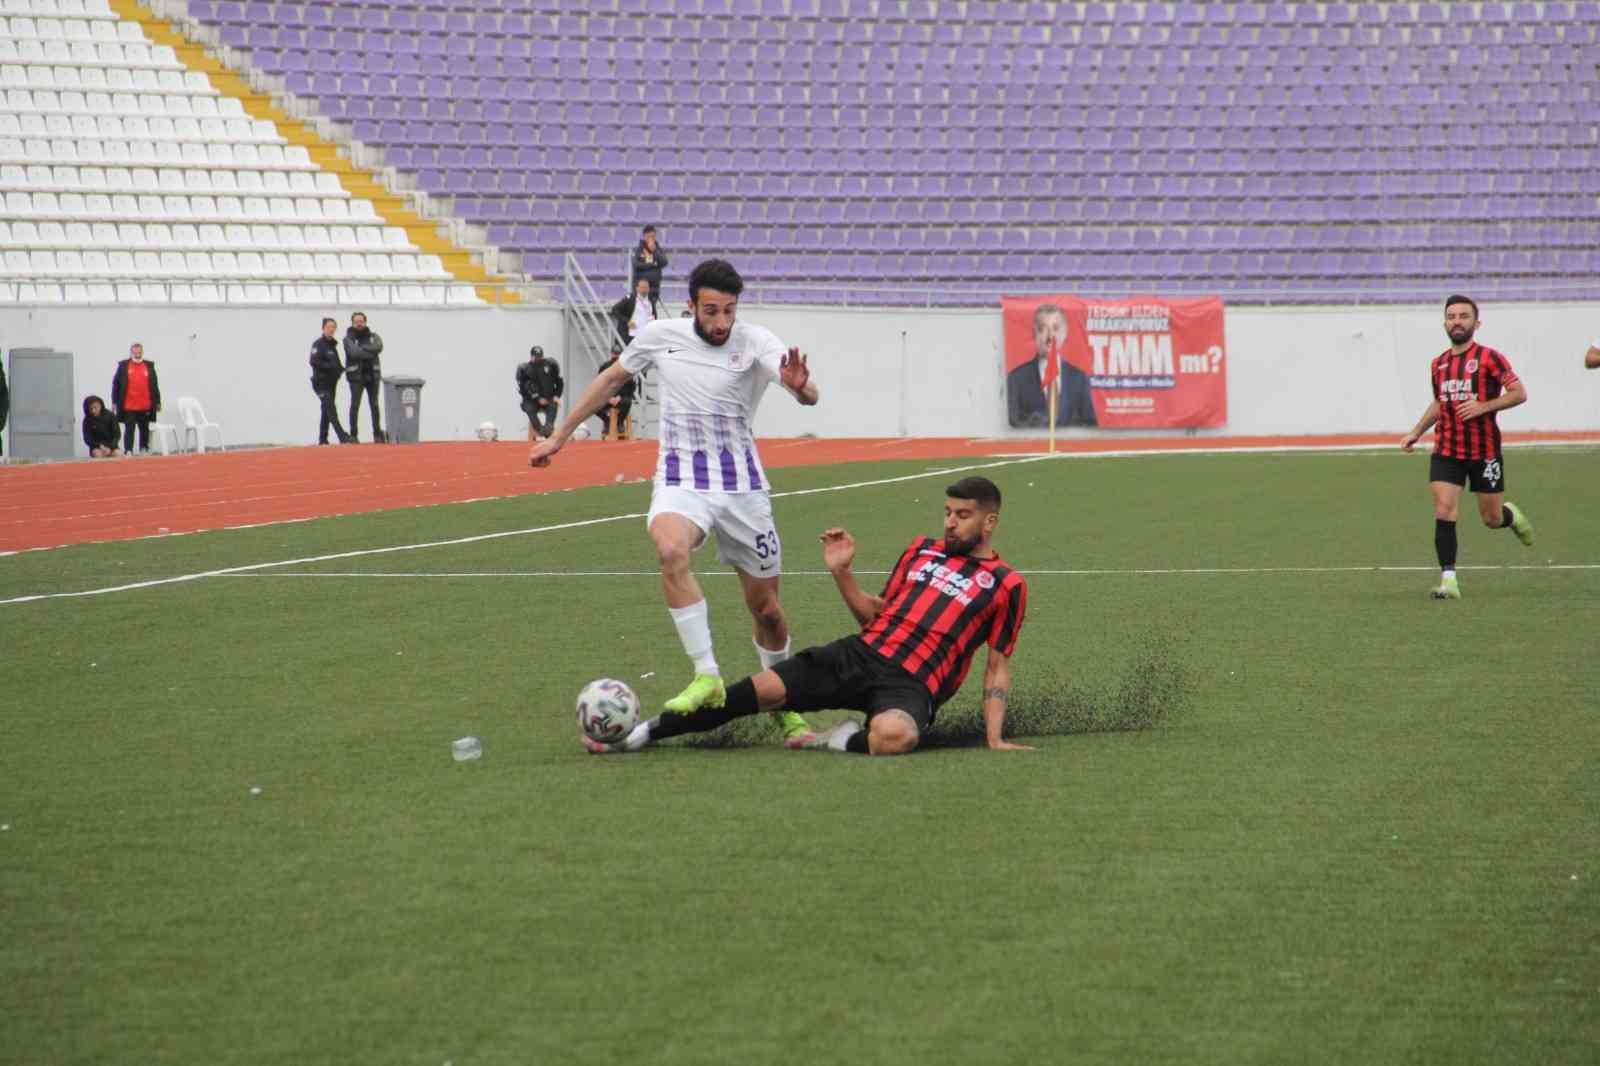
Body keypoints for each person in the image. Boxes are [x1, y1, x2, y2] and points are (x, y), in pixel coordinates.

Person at [530, 258, 820, 746]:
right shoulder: (660, 335)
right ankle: (706, 674)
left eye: (729, 310)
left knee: (767, 609)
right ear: (691, 307)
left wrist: (801, 389)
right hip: (681, 479)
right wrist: (561, 435)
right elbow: (610, 381)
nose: (722, 322)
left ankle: (784, 706)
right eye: (712, 311)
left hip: (743, 488)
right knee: (669, 549)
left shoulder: (757, 342)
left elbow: (807, 392)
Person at [586, 477, 1033, 757]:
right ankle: (640, 735)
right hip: (859, 655)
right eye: (947, 512)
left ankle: (835, 738)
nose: (951, 523)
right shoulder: (919, 550)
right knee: (753, 692)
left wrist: (994, 737)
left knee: (896, 738)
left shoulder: (1006, 585)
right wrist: (842, 574)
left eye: (963, 515)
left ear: (989, 522)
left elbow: (996, 666)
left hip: (913, 685)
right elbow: (874, 619)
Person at [1401, 295, 1534, 600]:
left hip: (1484, 451)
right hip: (1446, 449)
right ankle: (1449, 579)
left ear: (1477, 323)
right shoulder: (1438, 364)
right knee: (1444, 509)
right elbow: (1439, 402)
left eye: (1463, 316)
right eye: (1451, 316)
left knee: (1491, 519)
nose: (1457, 321)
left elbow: (1519, 392)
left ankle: (1510, 516)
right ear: (1445, 323)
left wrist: (1484, 406)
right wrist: (1416, 432)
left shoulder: (1490, 358)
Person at [1006, 302, 1097, 428]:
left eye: (1055, 328)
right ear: (1034, 334)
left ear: (1065, 334)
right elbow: (1012, 421)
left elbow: (1090, 422)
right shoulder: (1016, 378)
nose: (1050, 336)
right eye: (1042, 329)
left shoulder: (1079, 378)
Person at [111, 342, 161, 455]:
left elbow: (155, 385)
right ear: (131, 352)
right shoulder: (123, 366)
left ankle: (143, 448)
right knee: (129, 429)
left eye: (139, 352)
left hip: (145, 405)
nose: (137, 354)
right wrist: (114, 401)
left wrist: (157, 401)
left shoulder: (149, 366)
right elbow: (116, 384)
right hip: (129, 405)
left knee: (144, 429)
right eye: (135, 352)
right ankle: (128, 450)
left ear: (142, 352)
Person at [343, 311, 385, 443]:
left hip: (372, 375)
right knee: (355, 405)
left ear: (365, 321)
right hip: (356, 377)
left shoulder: (374, 336)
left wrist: (362, 349)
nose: (359, 323)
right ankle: (354, 435)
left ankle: (377, 434)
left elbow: (379, 346)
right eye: (356, 321)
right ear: (352, 322)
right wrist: (370, 352)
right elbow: (354, 353)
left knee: (374, 405)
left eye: (361, 321)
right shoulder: (348, 339)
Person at [309, 317, 350, 445]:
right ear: (323, 328)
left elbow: (336, 364)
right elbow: (314, 361)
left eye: (333, 327)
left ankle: (322, 439)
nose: (331, 329)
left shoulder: (333, 346)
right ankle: (342, 436)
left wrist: (342, 369)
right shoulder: (318, 344)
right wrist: (331, 368)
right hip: (321, 383)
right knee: (331, 409)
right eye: (329, 327)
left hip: (331, 384)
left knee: (326, 410)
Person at [517, 345, 564, 441]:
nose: (538, 358)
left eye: (540, 356)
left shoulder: (551, 365)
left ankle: (549, 427)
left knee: (553, 405)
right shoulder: (525, 369)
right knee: (529, 409)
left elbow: (559, 381)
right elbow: (526, 386)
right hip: (531, 399)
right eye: (536, 356)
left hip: (548, 397)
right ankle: (540, 430)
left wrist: (556, 396)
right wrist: (537, 398)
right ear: (531, 356)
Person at [593, 349, 637, 439]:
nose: (616, 356)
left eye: (618, 354)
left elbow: (631, 386)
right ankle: (607, 421)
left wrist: (620, 397)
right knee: (593, 405)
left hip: (621, 398)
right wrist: (608, 397)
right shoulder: (605, 366)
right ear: (611, 354)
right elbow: (599, 383)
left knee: (628, 402)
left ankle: (620, 422)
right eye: (614, 354)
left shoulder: (626, 367)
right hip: (606, 397)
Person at [610, 276, 662, 348]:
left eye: (646, 287)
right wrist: (627, 321)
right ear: (637, 288)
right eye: (642, 287)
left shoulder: (651, 300)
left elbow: (653, 315)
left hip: (645, 337)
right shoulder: (630, 298)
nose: (644, 290)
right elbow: (614, 310)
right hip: (631, 336)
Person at [630, 224, 668, 297]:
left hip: (654, 289)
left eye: (653, 237)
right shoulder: (638, 249)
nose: (651, 239)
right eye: (649, 237)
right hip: (640, 290)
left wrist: (654, 251)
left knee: (652, 308)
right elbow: (636, 265)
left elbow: (664, 262)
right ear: (644, 236)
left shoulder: (658, 249)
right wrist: (652, 264)